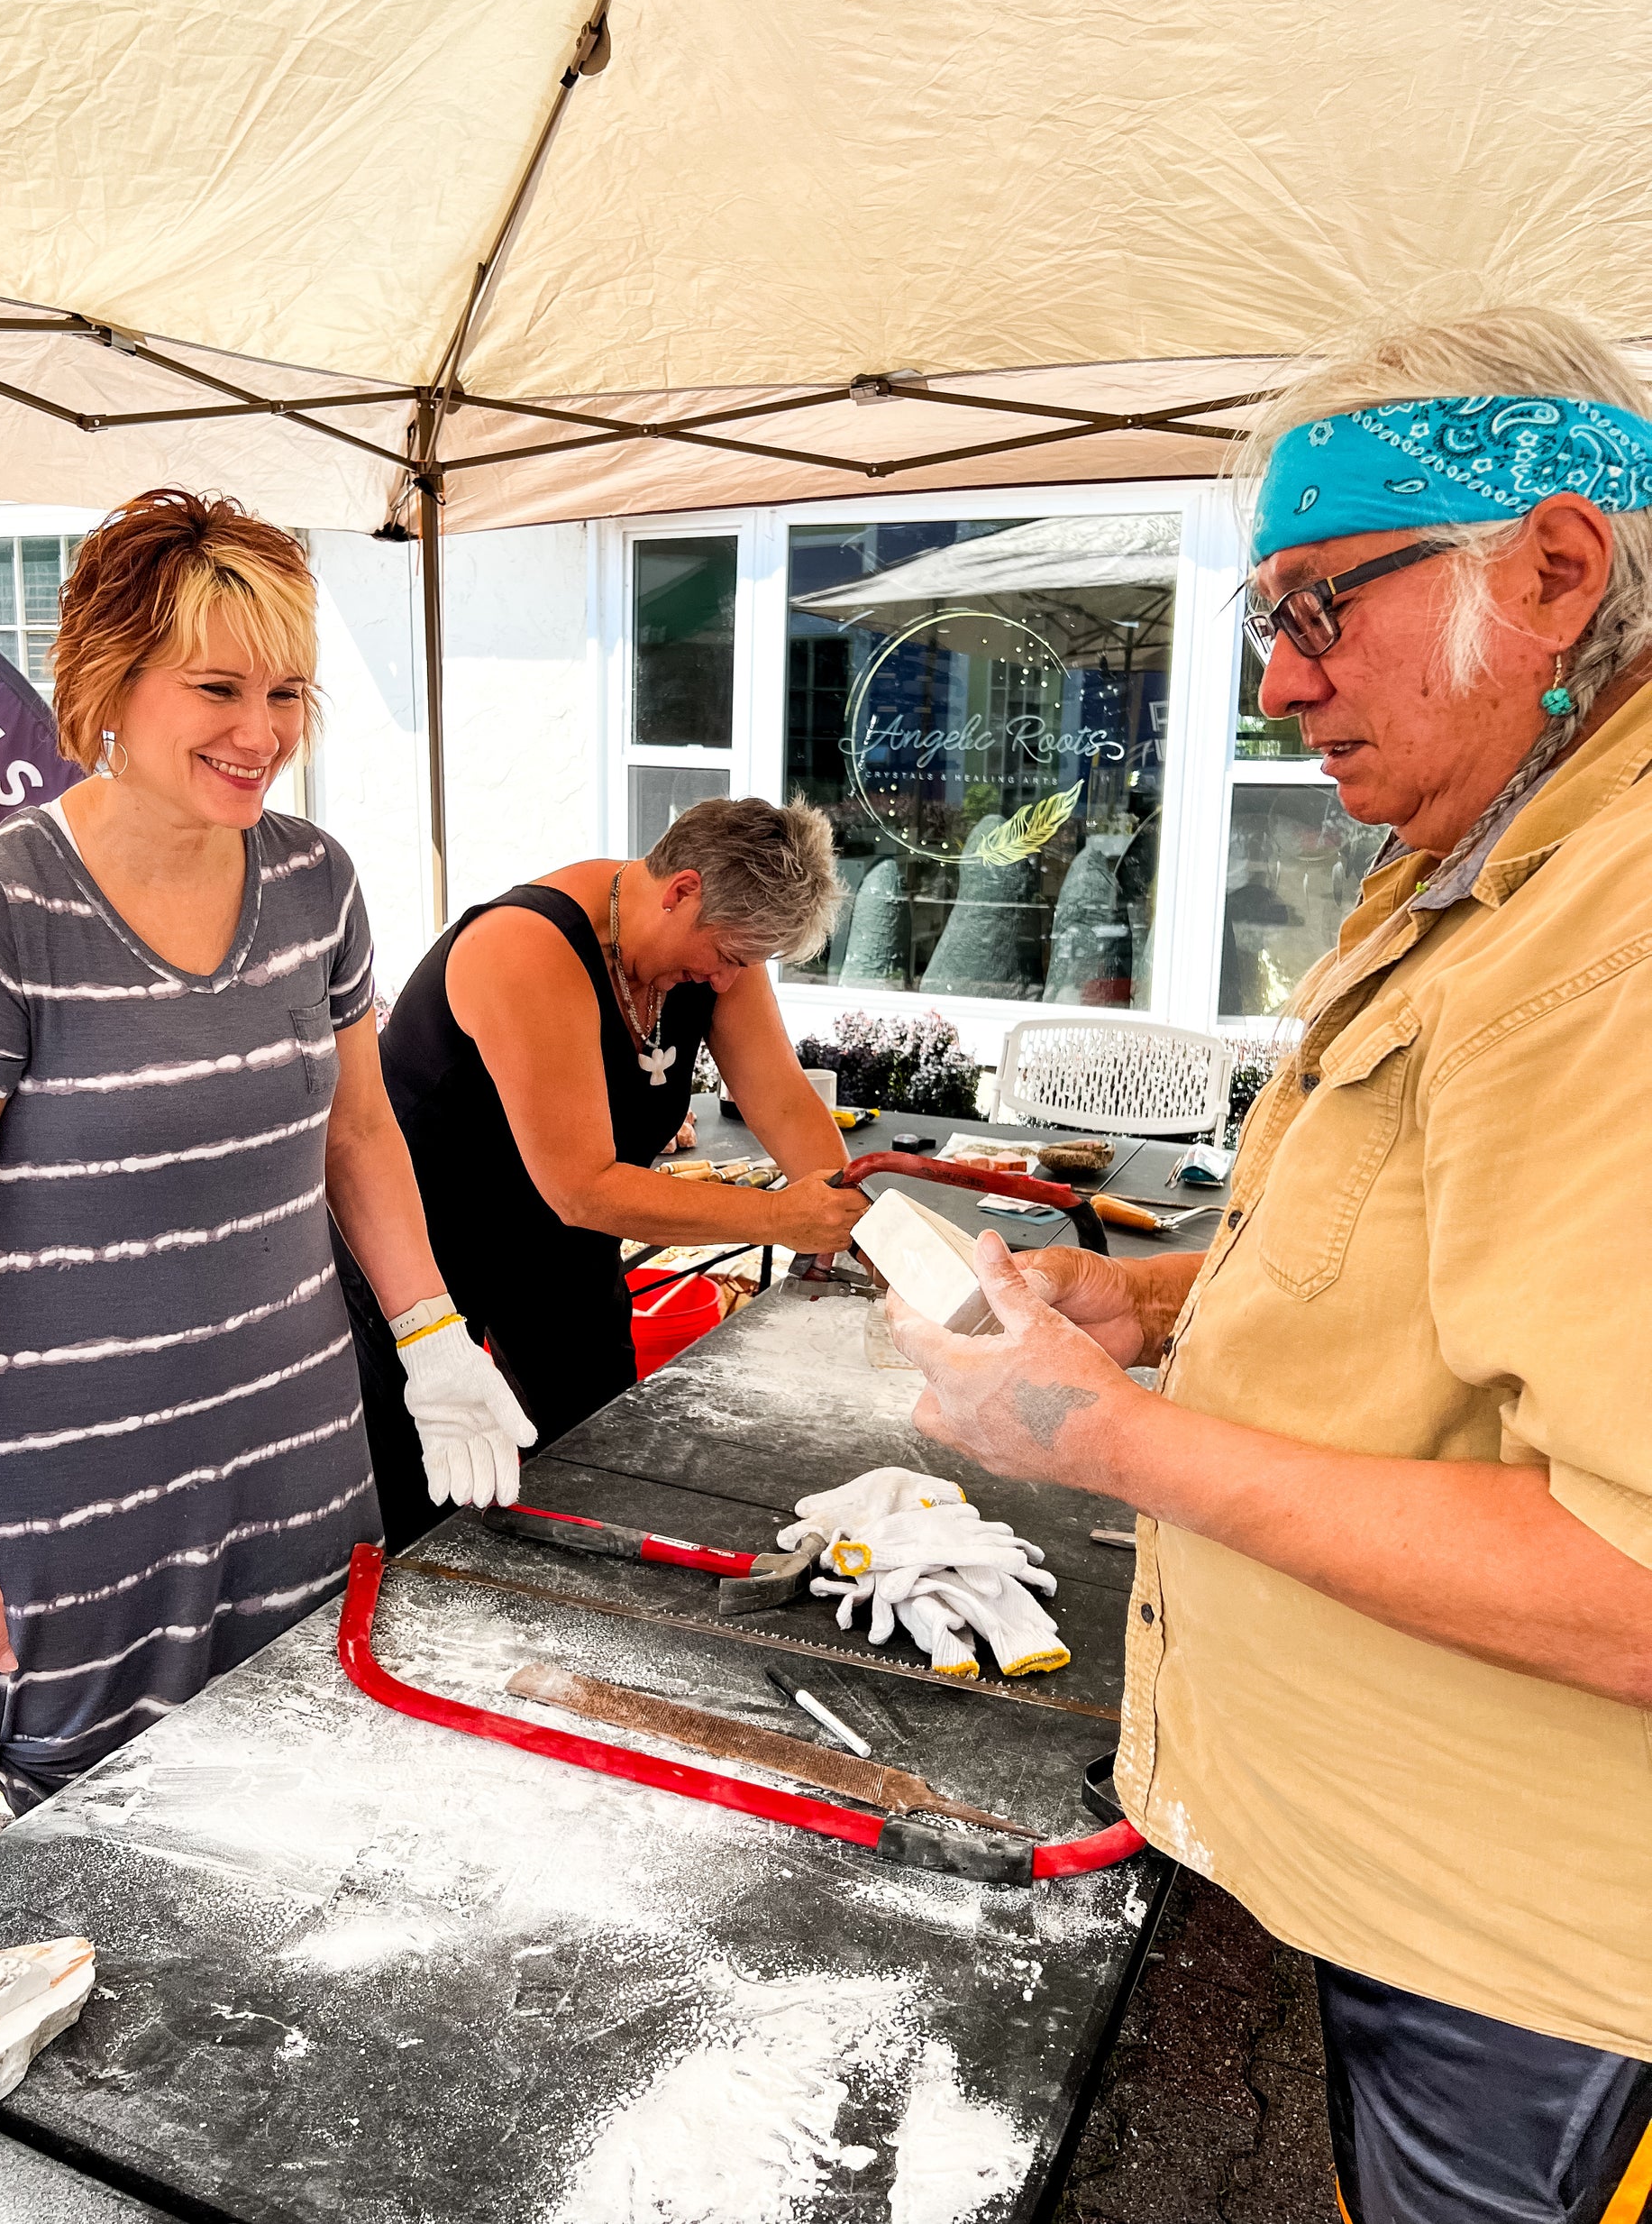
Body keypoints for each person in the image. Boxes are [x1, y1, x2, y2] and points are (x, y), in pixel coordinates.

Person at [889, 309, 1652, 2224]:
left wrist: (1107, 1440)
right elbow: (1431, 1244)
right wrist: (1147, 1302)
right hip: (1424, 1886)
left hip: (1529, 1963)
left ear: (1554, 572)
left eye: (1320, 608)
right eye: (1264, 625)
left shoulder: (1622, 930)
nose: (1281, 685)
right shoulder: (1498, 843)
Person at [0, 490, 529, 1812]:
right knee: (109, 1843)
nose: (262, 732)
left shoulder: (314, 880)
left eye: (287, 691)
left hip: (297, 1449)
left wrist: (433, 1333)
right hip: (75, 1494)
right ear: (110, 679)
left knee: (317, 1782)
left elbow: (358, 1130)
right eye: (218, 685)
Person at [335, 796, 869, 1549]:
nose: (725, 981)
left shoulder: (718, 959)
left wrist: (848, 1213)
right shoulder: (527, 946)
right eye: (729, 954)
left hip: (559, 1237)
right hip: (419, 1240)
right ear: (682, 890)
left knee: (601, 1451)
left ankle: (574, 1612)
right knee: (426, 1485)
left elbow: (781, 1099)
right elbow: (582, 1184)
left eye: (747, 964)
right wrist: (784, 1218)